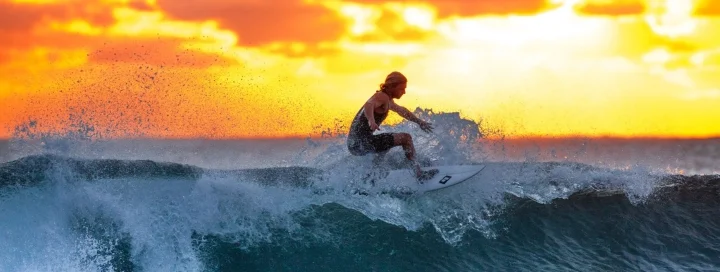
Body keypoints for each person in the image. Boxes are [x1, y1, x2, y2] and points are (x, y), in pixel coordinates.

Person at [347, 71, 438, 181]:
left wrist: (419, 122)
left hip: (355, 144)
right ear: (392, 86)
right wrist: (371, 120)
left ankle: (371, 178)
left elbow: (402, 111)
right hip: (361, 143)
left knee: (386, 145)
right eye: (401, 89)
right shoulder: (381, 96)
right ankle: (419, 174)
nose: (404, 92)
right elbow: (369, 104)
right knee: (406, 138)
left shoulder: (387, 100)